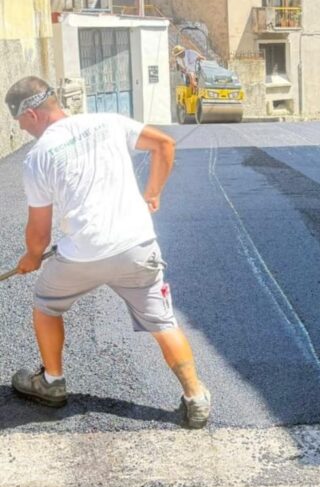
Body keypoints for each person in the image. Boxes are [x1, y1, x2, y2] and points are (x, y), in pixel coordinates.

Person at [4, 76, 211, 429]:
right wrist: (153, 193)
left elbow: (39, 233)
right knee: (163, 322)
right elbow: (164, 144)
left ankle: (52, 382)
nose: (23, 130)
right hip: (137, 247)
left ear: (33, 114)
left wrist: (31, 258)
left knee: (45, 304)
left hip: (82, 256)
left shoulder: (38, 157)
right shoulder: (108, 122)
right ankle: (196, 397)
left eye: (21, 122)